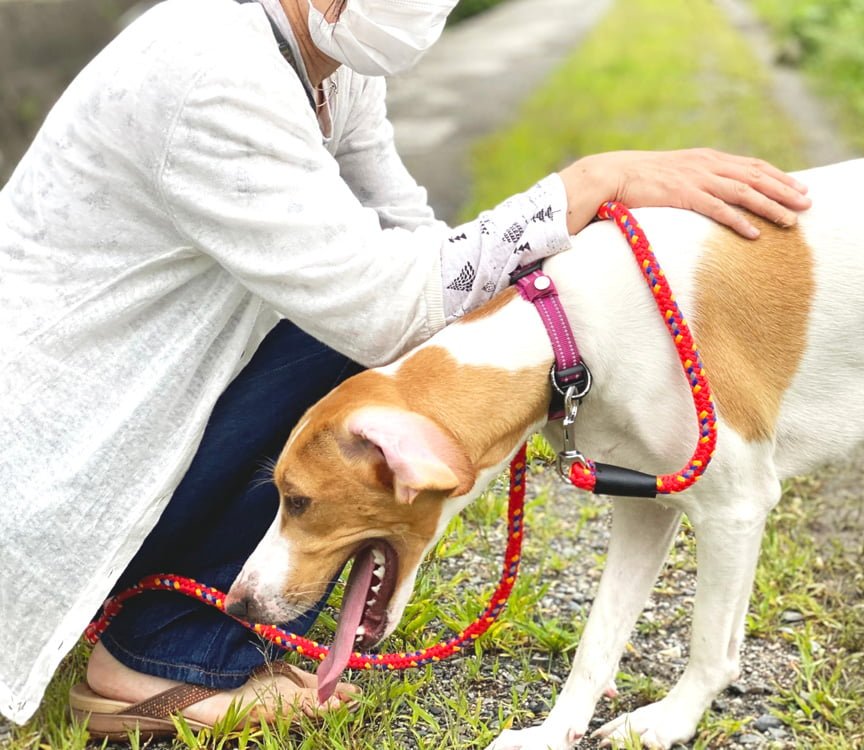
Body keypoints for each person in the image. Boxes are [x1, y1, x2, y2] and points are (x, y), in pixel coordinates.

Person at [0, 0, 812, 735]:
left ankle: (176, 601)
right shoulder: (213, 72)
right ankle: (164, 657)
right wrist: (587, 185)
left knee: (396, 331)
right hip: (53, 469)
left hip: (123, 425)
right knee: (360, 344)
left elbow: (411, 235)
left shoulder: (324, 67)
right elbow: (382, 307)